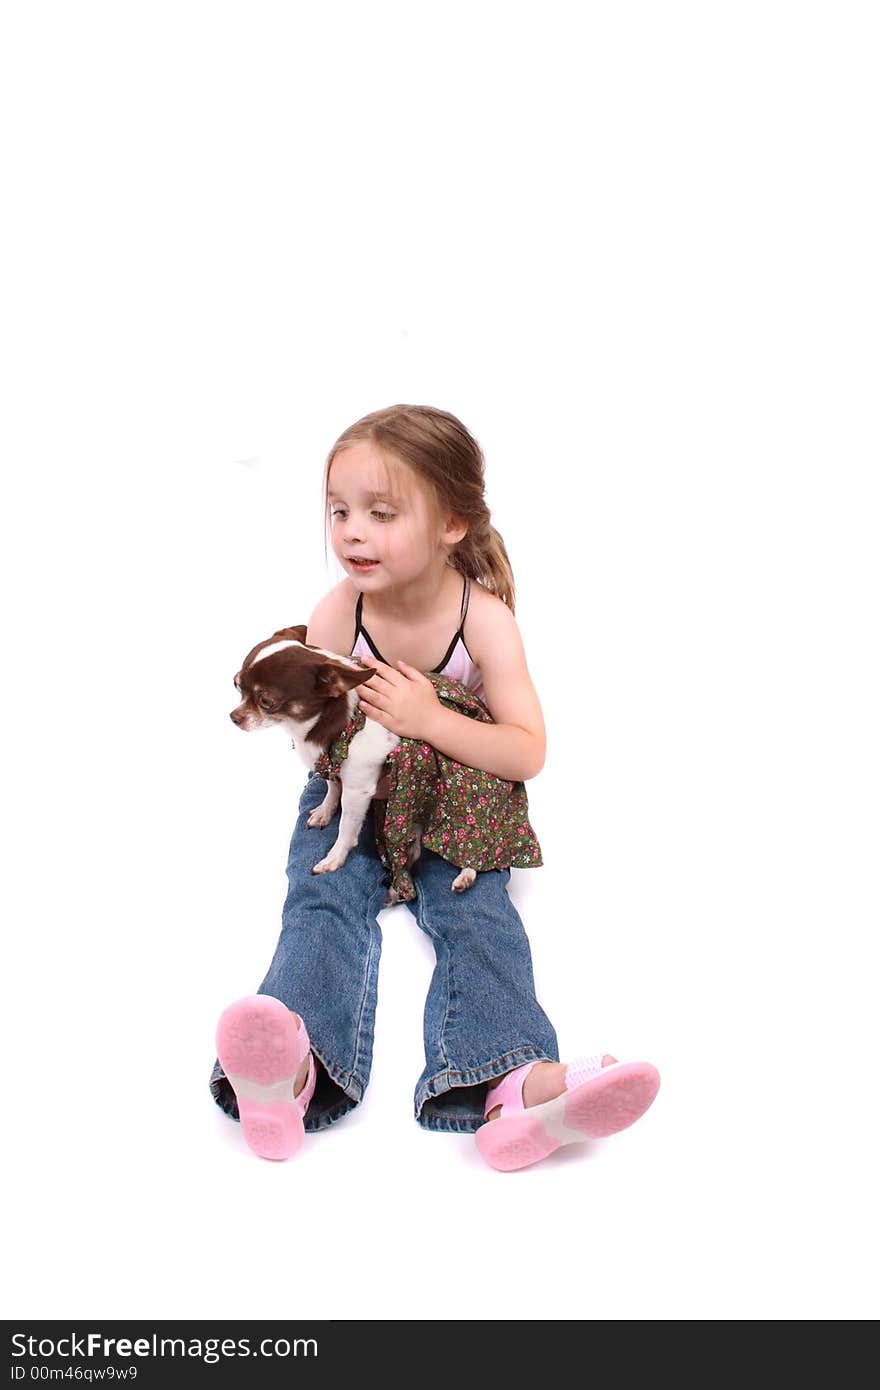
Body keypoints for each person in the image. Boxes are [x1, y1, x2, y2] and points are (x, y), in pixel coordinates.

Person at [210, 404, 660, 1171]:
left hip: (455, 810)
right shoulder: (338, 612)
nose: (352, 532)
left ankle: (517, 1084)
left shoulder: (481, 622)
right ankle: (290, 1069)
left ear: (453, 523)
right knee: (320, 901)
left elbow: (526, 752)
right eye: (339, 511)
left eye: (381, 514)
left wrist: (427, 717)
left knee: (479, 918)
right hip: (358, 798)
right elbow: (320, 738)